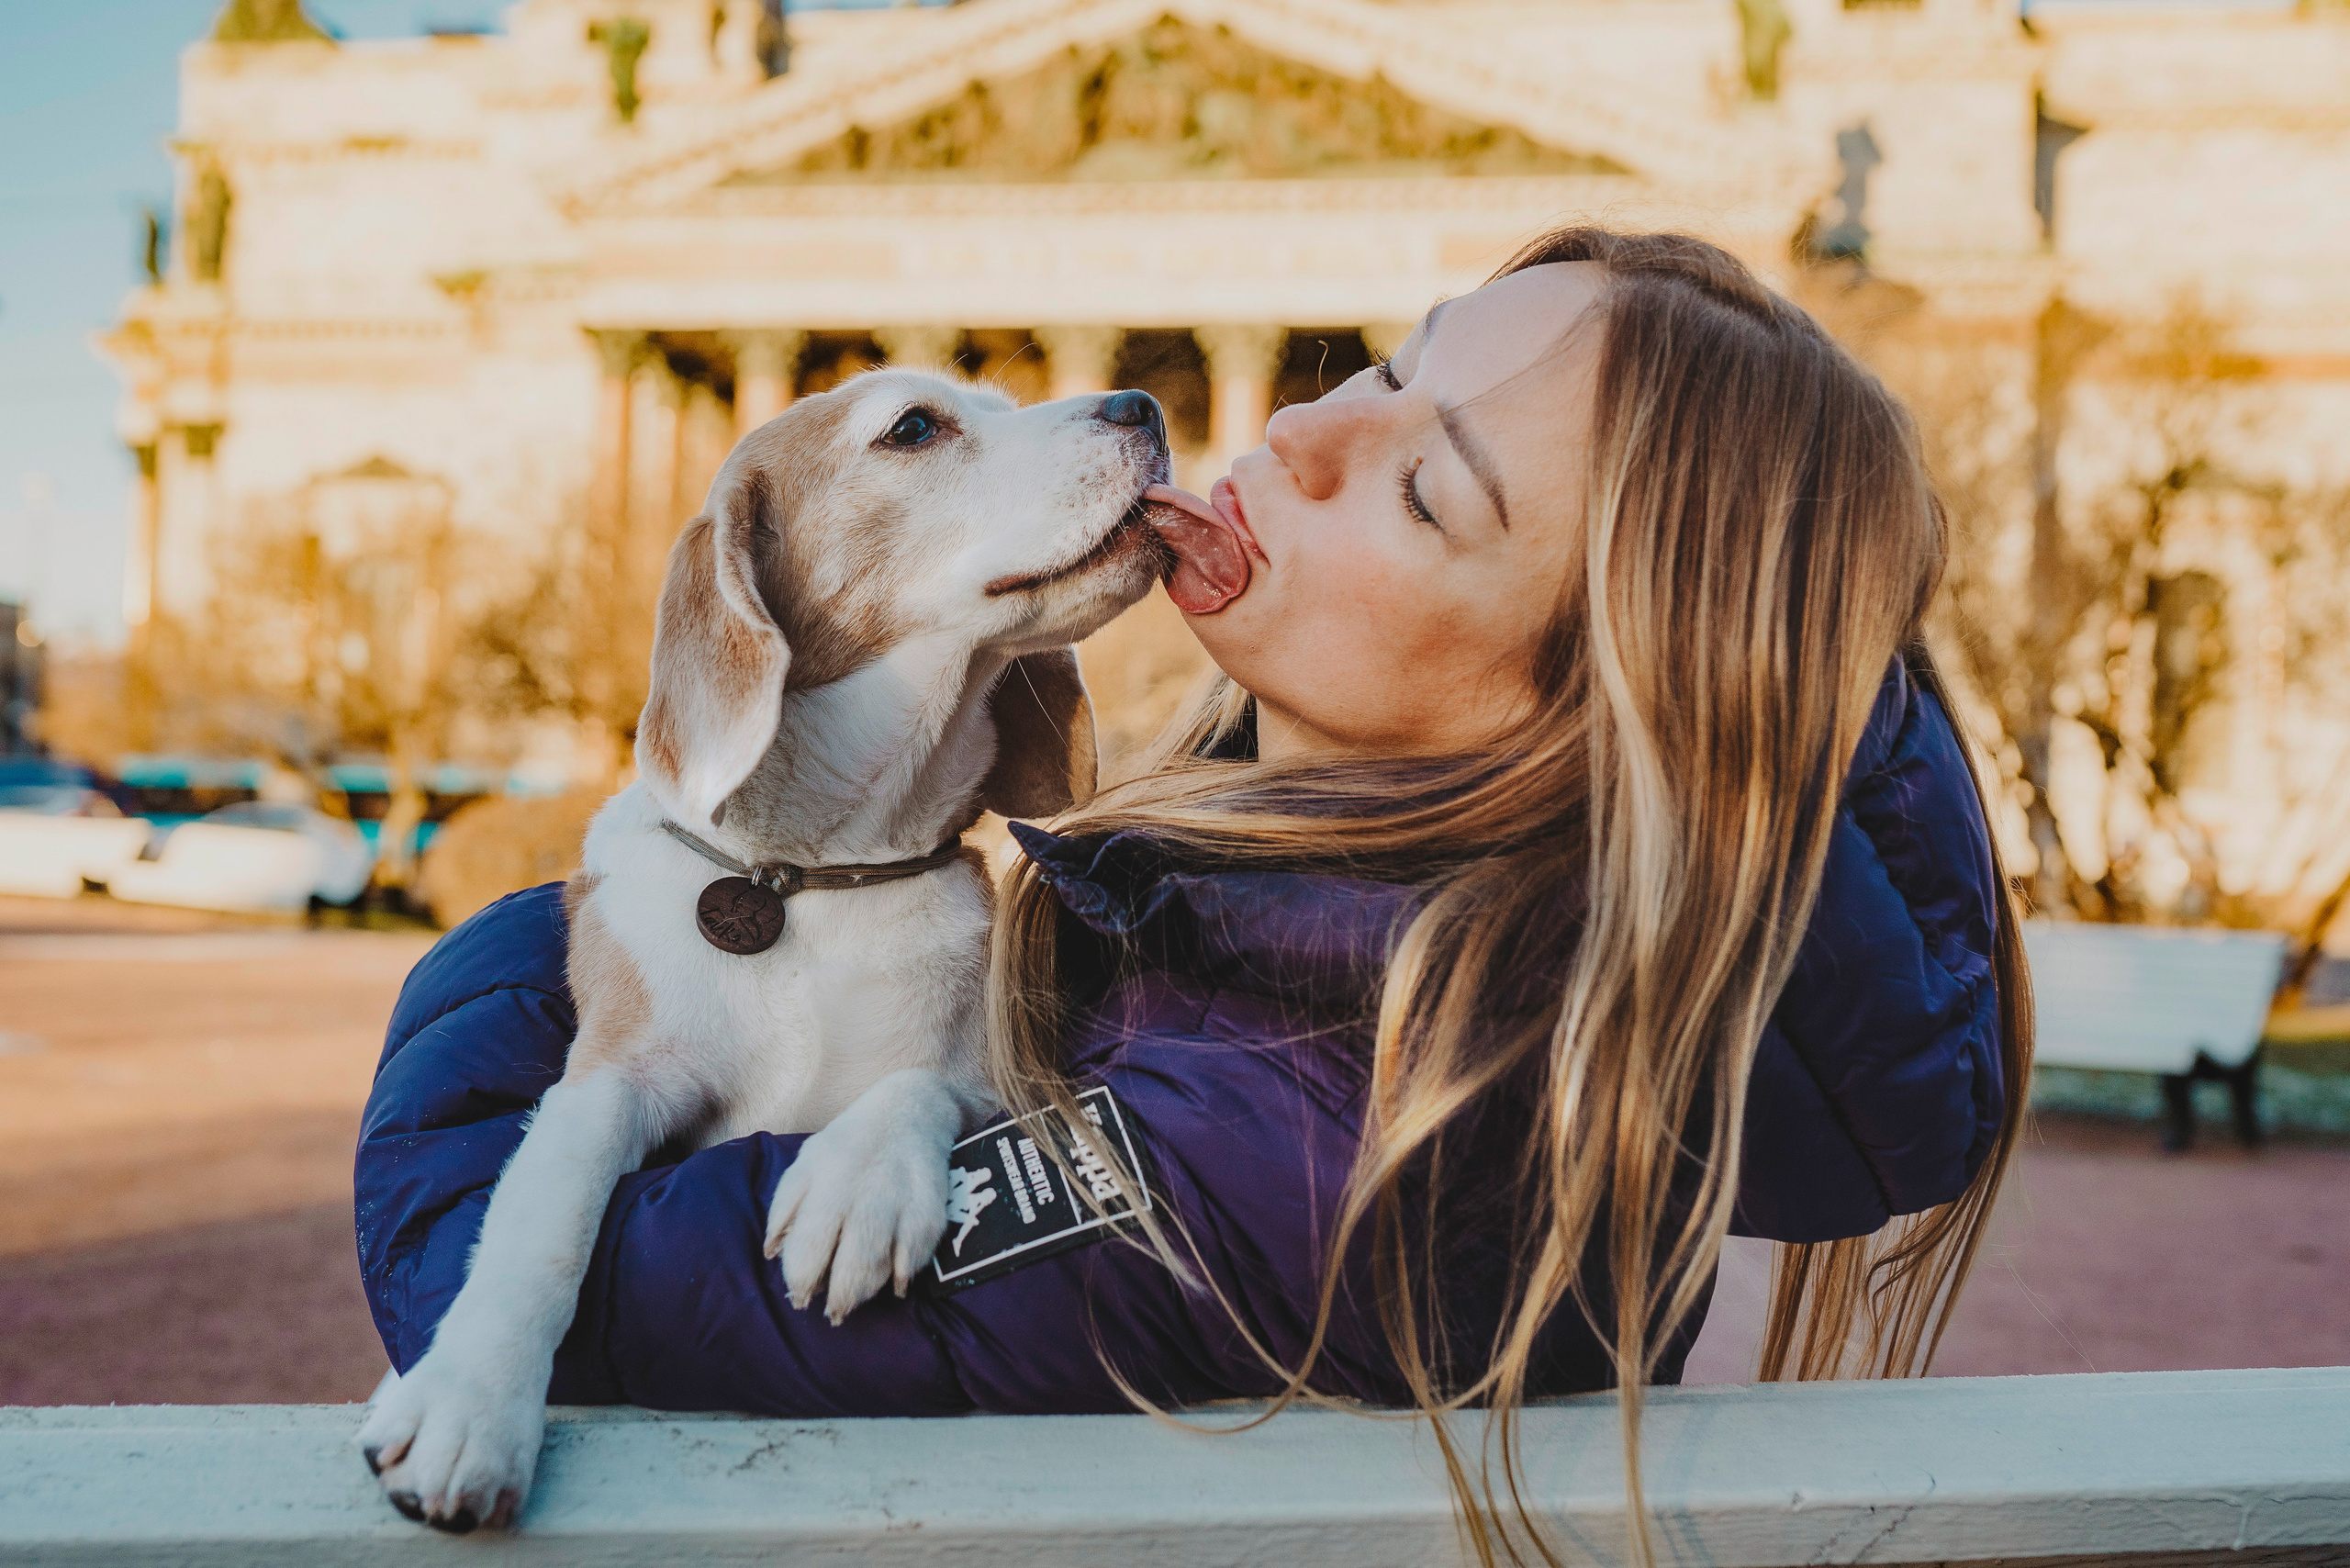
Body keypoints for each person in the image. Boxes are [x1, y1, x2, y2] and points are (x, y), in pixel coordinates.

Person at [357, 228, 2029, 1557]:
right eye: (1390, 365)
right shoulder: (1255, 945)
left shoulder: (1346, 1134)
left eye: (1425, 487)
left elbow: (532, 1283)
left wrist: (584, 927)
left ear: (1581, 723)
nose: (1300, 426)